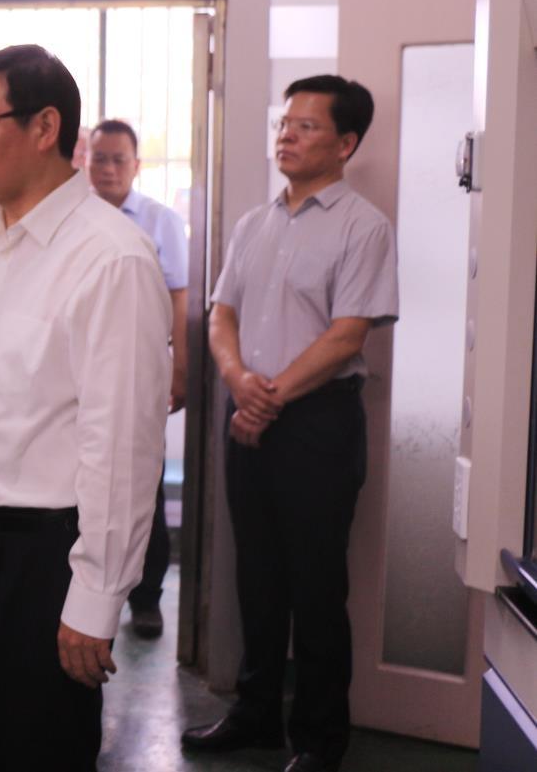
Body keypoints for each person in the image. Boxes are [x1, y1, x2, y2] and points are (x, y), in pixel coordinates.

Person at [0, 44, 172, 771]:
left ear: (45, 126)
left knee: (34, 750)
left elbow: (121, 447)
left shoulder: (110, 257)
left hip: (38, 560)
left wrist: (96, 598)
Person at [183, 75, 397, 772]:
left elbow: (347, 335)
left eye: (306, 126)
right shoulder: (255, 223)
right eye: (285, 122)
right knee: (257, 573)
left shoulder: (363, 226)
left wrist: (265, 397)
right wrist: (237, 380)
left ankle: (318, 737)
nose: (287, 135)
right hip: (249, 408)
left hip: (317, 423)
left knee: (315, 584)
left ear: (345, 143)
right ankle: (255, 714)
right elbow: (221, 314)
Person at [86, 120, 189, 639]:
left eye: (118, 159)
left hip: (140, 372)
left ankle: (146, 599)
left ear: (136, 165)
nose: (107, 169)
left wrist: (180, 368)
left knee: (142, 485)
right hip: (83, 375)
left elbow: (179, 298)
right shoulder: (74, 218)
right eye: (99, 158)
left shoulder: (159, 220)